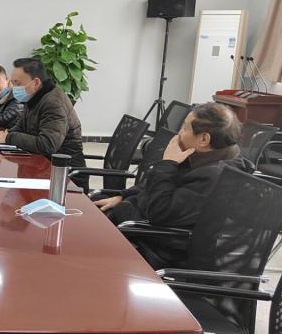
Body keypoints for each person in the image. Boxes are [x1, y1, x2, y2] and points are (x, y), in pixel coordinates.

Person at [94, 102, 252, 268]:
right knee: (97, 207)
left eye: (184, 128)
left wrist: (167, 163)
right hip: (144, 228)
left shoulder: (213, 177)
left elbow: (159, 212)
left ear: (204, 139)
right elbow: (152, 186)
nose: (179, 133)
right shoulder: (203, 157)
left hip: (157, 249)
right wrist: (123, 195)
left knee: (91, 235)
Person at [0, 58, 85, 167]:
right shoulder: (33, 97)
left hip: (63, 169)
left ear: (36, 82)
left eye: (18, 83)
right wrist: (6, 133)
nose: (14, 89)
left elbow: (47, 144)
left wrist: (9, 137)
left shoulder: (53, 103)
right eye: (13, 83)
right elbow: (21, 126)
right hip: (40, 163)